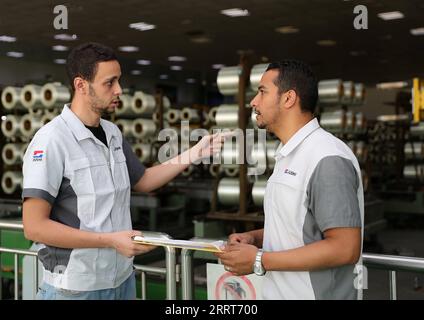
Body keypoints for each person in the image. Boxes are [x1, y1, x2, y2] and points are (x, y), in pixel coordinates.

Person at [22, 42, 227, 300]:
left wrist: (195, 153)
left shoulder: (113, 134)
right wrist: (109, 240)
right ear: (81, 85)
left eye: (119, 81)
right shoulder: (52, 140)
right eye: (110, 82)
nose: (119, 90)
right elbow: (34, 227)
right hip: (75, 287)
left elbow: (142, 181)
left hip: (121, 279)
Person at [216, 60, 364, 300]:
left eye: (262, 92)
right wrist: (255, 238)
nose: (253, 101)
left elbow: (344, 248)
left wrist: (258, 259)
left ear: (288, 98)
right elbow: (299, 225)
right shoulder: (289, 154)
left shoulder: (327, 157)